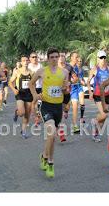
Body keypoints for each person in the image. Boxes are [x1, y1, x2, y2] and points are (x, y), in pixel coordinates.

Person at [29, 48, 69, 178]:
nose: (54, 59)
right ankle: (51, 163)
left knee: (52, 137)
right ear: (47, 58)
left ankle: (44, 156)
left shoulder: (64, 72)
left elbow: (65, 90)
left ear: (59, 58)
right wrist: (36, 95)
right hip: (46, 106)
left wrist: (65, 90)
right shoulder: (41, 71)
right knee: (51, 135)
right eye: (52, 57)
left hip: (58, 107)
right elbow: (31, 84)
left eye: (56, 57)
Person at [87, 50, 109, 142]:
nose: (103, 59)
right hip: (97, 94)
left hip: (106, 95)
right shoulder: (94, 69)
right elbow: (88, 81)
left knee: (105, 115)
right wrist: (90, 92)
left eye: (104, 57)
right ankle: (94, 121)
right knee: (103, 114)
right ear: (98, 59)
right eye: (101, 57)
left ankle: (95, 131)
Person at [9, 56, 33, 139]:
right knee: (22, 112)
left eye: (27, 60)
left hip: (28, 94)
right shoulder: (17, 72)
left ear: (29, 62)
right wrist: (13, 90)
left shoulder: (31, 72)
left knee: (27, 114)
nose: (25, 62)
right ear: (21, 62)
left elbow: (33, 84)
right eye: (24, 60)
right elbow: (10, 82)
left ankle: (23, 131)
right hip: (20, 93)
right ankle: (17, 112)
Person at [28, 52, 43, 127]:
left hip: (40, 86)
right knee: (33, 103)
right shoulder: (28, 66)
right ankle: (36, 118)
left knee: (39, 104)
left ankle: (38, 118)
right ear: (30, 58)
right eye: (33, 57)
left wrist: (37, 75)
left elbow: (42, 75)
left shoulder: (40, 65)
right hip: (32, 87)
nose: (34, 58)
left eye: (36, 57)